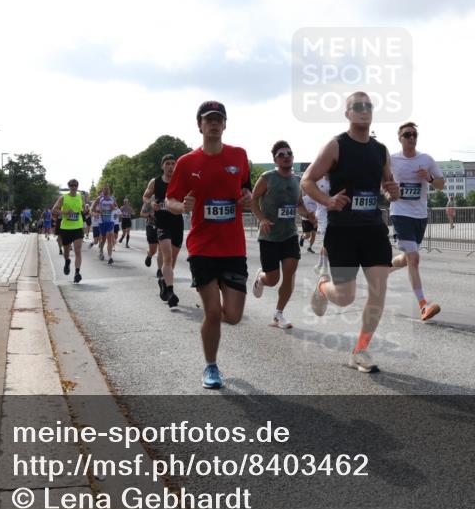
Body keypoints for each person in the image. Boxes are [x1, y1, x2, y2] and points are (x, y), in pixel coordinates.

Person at [302, 91, 400, 374]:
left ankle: (360, 349)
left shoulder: (380, 150)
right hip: (343, 230)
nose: (363, 110)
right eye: (357, 106)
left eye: (368, 105)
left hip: (372, 228)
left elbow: (388, 187)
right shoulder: (336, 146)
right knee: (345, 297)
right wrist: (328, 201)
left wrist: (391, 191)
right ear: (347, 113)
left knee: (378, 290)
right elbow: (307, 180)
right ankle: (322, 287)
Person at [166, 101, 251, 389]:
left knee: (234, 317)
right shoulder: (187, 162)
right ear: (199, 125)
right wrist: (181, 207)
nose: (214, 124)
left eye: (219, 119)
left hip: (234, 247)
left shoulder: (239, 156)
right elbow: (170, 199)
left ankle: (213, 328)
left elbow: (246, 189)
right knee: (212, 312)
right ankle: (211, 367)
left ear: (225, 125)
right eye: (208, 120)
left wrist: (247, 199)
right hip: (202, 247)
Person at [249, 140, 310, 329]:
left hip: (289, 234)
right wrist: (262, 219)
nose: (286, 157)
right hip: (269, 236)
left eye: (289, 153)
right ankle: (261, 278)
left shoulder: (297, 180)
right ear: (275, 160)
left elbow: (299, 204)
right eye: (281, 155)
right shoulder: (268, 177)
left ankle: (279, 314)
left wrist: (309, 215)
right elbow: (253, 200)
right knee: (273, 279)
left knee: (290, 272)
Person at [388, 121, 444, 320]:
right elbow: (382, 183)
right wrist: (388, 193)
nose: (411, 137)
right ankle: (423, 305)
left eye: (414, 134)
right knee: (414, 258)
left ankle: (383, 270)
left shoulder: (426, 159)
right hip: (400, 213)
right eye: (407, 134)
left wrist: (428, 177)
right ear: (400, 138)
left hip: (420, 215)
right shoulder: (392, 160)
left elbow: (441, 184)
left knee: (407, 258)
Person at [144, 154, 184, 308]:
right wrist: (152, 202)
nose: (171, 166)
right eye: (167, 163)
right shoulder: (156, 182)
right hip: (162, 223)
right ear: (162, 166)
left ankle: (163, 281)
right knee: (167, 257)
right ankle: (171, 292)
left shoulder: (180, 181)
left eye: (173, 163)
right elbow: (145, 196)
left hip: (177, 222)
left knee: (172, 261)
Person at [52, 179, 84, 283]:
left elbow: (82, 209)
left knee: (78, 250)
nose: (73, 187)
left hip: (78, 226)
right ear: (69, 186)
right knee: (66, 252)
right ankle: (67, 261)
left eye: (75, 185)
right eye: (71, 185)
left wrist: (86, 211)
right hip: (66, 228)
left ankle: (77, 273)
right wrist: (65, 212)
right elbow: (54, 210)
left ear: (77, 186)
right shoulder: (63, 197)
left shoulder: (80, 196)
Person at [93, 186, 118, 263]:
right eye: (105, 190)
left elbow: (116, 208)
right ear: (103, 191)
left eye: (107, 190)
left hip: (110, 221)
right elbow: (92, 208)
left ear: (109, 191)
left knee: (109, 238)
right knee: (103, 239)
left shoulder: (112, 198)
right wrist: (98, 211)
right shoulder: (99, 198)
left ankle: (110, 257)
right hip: (101, 222)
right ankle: (101, 251)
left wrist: (113, 208)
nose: (106, 191)